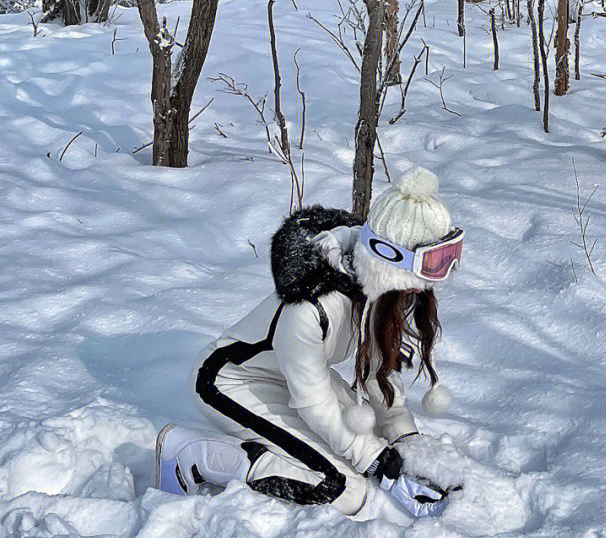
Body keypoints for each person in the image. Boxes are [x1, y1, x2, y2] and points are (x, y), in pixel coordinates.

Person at [154, 168, 463, 520]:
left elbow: (379, 369)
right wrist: (378, 462)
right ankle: (189, 456)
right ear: (390, 259)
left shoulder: (380, 291)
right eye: (433, 263)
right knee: (343, 488)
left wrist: (403, 439)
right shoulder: (311, 307)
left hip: (291, 377)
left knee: (370, 440)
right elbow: (314, 403)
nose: (432, 282)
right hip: (229, 382)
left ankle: (283, 446)